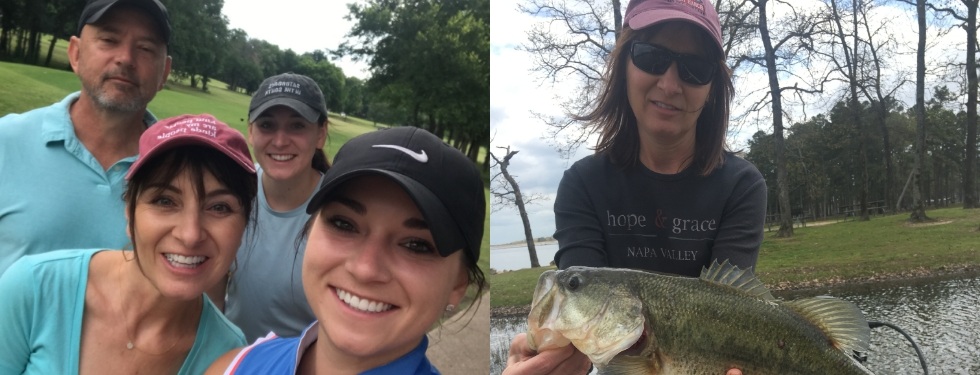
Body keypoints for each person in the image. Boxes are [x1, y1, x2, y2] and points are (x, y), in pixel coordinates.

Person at [505, 0, 764, 373]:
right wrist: (554, 361)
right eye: (651, 56)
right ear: (624, 64)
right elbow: (582, 335)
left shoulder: (741, 185)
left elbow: (737, 313)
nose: (671, 83)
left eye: (695, 68)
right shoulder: (583, 184)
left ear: (712, 88)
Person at [205, 126, 487, 375]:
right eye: (344, 224)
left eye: (416, 245)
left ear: (458, 283)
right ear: (309, 229)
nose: (365, 269)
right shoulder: (238, 365)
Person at [0, 114, 257, 374]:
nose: (190, 235)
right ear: (129, 210)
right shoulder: (36, 289)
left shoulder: (229, 358)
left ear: (244, 225)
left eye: (219, 207)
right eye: (165, 201)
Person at [0, 0, 172, 274]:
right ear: (75, 53)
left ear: (164, 72)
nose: (126, 58)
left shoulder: (179, 166)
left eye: (145, 48)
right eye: (109, 40)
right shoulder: (6, 141)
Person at [219, 72, 329, 342]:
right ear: (251, 132)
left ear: (320, 134)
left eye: (297, 126)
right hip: (231, 360)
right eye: (267, 125)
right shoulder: (231, 193)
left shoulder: (338, 212)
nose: (280, 141)